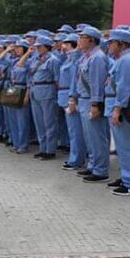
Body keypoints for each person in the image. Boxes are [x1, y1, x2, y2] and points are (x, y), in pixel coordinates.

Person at [68, 26, 110, 183]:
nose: (79, 40)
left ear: (91, 40)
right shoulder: (86, 56)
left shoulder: (97, 57)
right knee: (89, 137)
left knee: (97, 137)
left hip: (91, 100)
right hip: (84, 99)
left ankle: (101, 170)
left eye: (82, 37)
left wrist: (95, 104)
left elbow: (97, 84)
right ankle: (93, 165)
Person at [104, 29, 130, 196]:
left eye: (111, 42)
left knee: (126, 146)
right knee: (122, 146)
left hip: (122, 107)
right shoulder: (124, 59)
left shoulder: (126, 61)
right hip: (117, 104)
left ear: (121, 44)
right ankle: (126, 177)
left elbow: (124, 88)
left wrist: (118, 109)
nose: (109, 45)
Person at [26, 36, 60, 160]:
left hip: (47, 91)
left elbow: (57, 79)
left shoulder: (53, 60)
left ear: (47, 47)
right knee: (39, 122)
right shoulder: (36, 59)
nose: (38, 49)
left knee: (49, 122)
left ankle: (50, 150)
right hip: (35, 91)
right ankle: (42, 148)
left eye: (40, 47)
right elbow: (30, 73)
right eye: (37, 47)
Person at [59, 33, 87, 170]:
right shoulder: (69, 59)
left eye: (66, 44)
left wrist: (72, 98)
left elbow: (74, 82)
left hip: (72, 98)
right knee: (73, 131)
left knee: (76, 131)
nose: (63, 46)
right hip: (65, 96)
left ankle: (76, 159)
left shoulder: (76, 60)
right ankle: (75, 157)